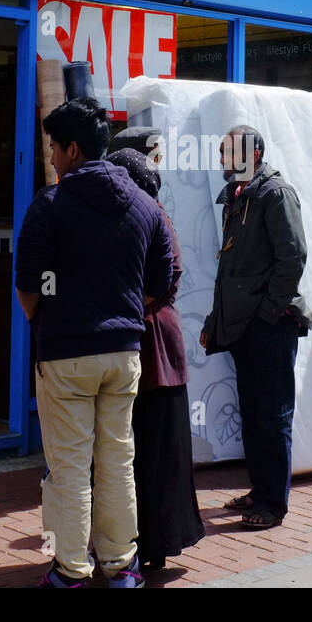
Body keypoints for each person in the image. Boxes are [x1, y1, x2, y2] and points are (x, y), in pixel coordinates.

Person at [15, 97, 174, 588]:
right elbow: (160, 282)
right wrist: (123, 308)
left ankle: (70, 570)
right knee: (116, 460)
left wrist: (47, 314)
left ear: (74, 149)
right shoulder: (147, 207)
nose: (53, 158)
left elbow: (31, 283)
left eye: (54, 149)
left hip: (66, 352)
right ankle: (121, 566)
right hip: (125, 352)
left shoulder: (51, 204)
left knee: (69, 467)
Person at [200, 125, 311, 530]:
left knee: (273, 415)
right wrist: (217, 323)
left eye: (229, 151)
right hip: (244, 328)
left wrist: (265, 314)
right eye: (222, 150)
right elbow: (229, 270)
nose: (222, 158)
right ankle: (259, 490)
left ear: (255, 154)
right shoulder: (237, 196)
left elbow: (293, 259)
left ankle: (272, 505)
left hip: (270, 327)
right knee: (252, 413)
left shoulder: (275, 194)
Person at [106, 147, 205, 572]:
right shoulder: (148, 215)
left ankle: (156, 542)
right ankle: (150, 542)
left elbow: (165, 279)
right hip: (150, 348)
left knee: (153, 452)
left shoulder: (152, 218)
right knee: (148, 451)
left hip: (153, 349)